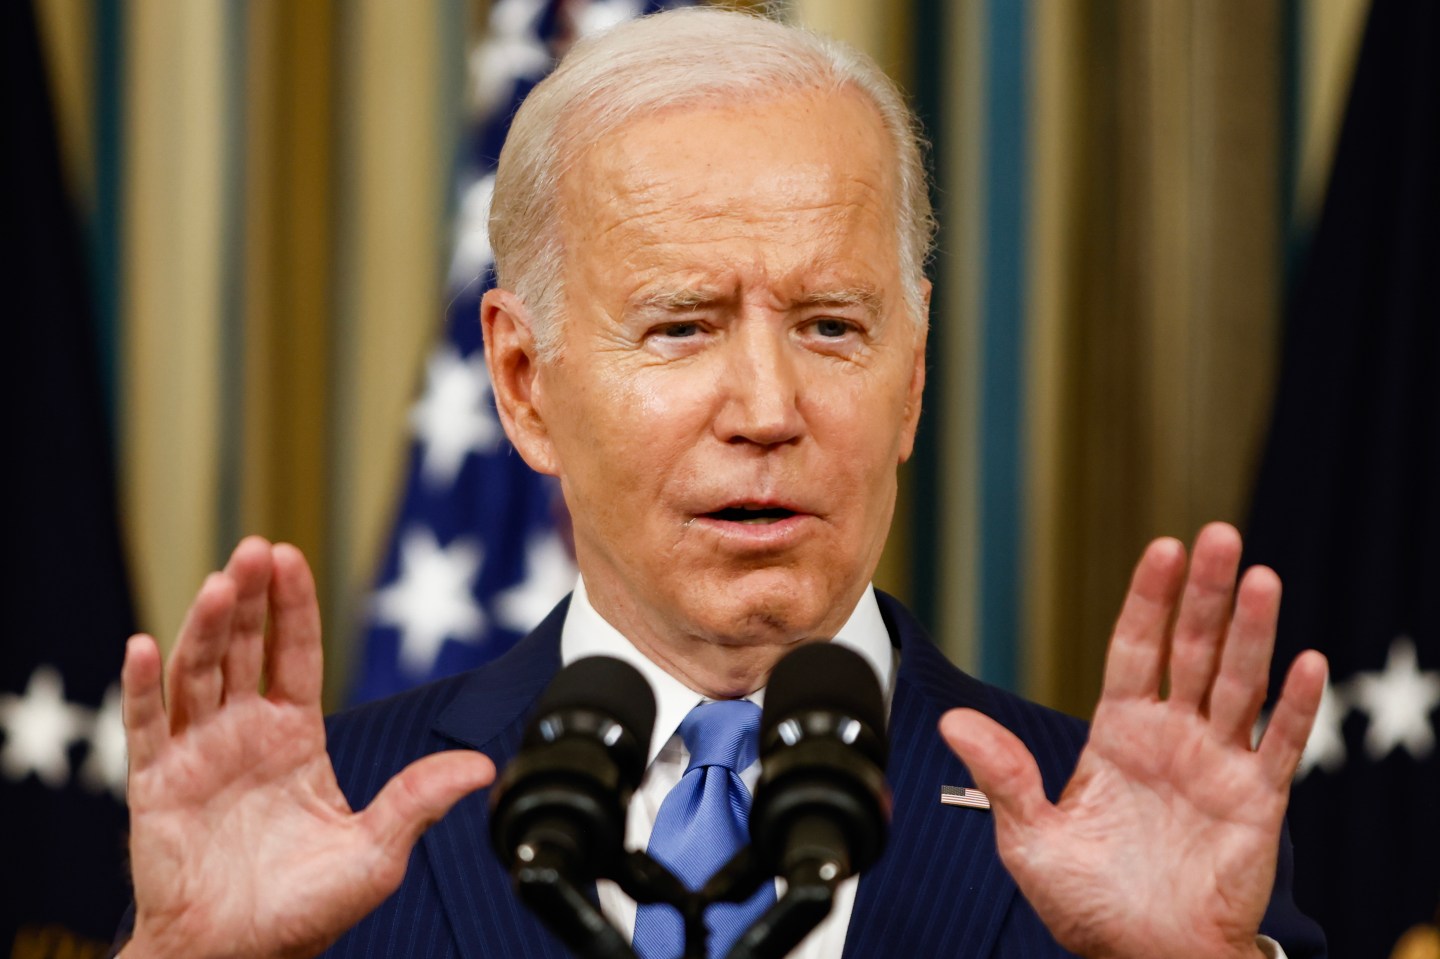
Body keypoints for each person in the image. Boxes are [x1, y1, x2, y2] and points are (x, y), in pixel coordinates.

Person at [113, 8, 1328, 959]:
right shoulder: (329, 818)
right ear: (525, 383)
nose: (765, 410)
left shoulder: (1131, 833)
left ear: (910, 382)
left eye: (833, 327)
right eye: (683, 327)